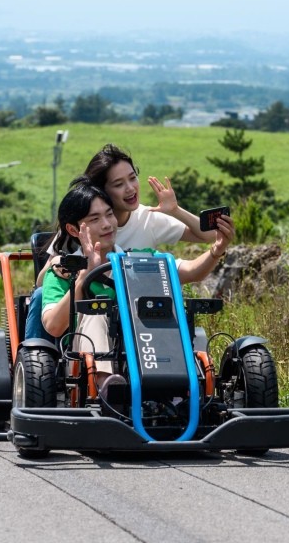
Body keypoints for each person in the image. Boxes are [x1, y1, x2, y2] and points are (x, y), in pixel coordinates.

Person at [40, 183, 233, 399]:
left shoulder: (140, 259)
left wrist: (217, 250)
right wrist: (85, 274)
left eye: (109, 214)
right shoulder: (63, 270)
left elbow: (191, 271)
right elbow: (53, 326)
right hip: (80, 363)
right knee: (98, 312)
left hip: (142, 349)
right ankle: (106, 387)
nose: (106, 225)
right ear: (74, 230)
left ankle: (180, 386)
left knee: (158, 310)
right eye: (95, 219)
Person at [24, 143, 217, 340]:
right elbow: (43, 281)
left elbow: (209, 237)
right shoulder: (82, 228)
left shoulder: (148, 218)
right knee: (41, 297)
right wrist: (67, 267)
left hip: (131, 308)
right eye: (118, 184)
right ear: (101, 191)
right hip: (84, 310)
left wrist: (175, 210)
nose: (130, 188)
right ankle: (36, 359)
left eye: (133, 178)